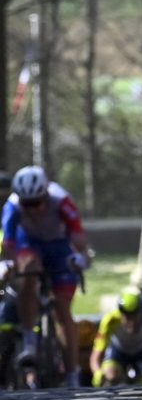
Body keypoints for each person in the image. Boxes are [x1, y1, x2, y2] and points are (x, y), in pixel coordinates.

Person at [1, 165, 91, 387]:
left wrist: (81, 258)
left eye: (36, 203)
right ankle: (29, 338)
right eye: (26, 204)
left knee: (62, 308)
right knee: (28, 271)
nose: (31, 210)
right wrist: (7, 265)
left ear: (45, 195)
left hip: (59, 247)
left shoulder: (61, 200)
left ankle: (72, 374)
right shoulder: (12, 206)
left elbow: (79, 240)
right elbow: (8, 245)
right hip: (29, 245)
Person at [90, 288, 142, 386]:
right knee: (110, 375)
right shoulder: (109, 321)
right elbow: (96, 355)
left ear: (141, 313)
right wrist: (98, 372)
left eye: (134, 317)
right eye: (127, 317)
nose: (131, 322)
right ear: (121, 314)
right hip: (119, 352)